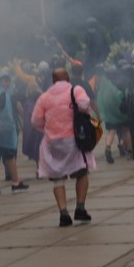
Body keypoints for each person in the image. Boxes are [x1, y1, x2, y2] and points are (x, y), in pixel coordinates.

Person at [31, 68, 96, 227]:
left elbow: (35, 120)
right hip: (74, 139)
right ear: (67, 78)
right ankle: (80, 208)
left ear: (53, 80)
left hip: (53, 142)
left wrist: (48, 128)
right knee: (81, 172)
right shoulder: (75, 90)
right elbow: (84, 104)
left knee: (58, 177)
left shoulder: (44, 97)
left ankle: (63, 213)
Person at [0, 70, 29, 196]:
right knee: (7, 156)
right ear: (0, 81)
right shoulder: (2, 94)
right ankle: (14, 183)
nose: (7, 83)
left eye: (8, 80)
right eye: (5, 80)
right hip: (3, 131)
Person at [92, 65, 130, 164]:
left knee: (111, 131)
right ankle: (128, 148)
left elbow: (100, 97)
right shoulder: (119, 80)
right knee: (126, 129)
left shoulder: (103, 82)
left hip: (109, 112)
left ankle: (108, 148)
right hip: (121, 111)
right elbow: (123, 94)